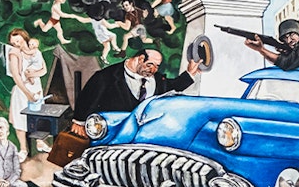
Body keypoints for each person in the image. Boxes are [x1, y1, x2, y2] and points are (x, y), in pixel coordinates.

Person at [70, 49, 201, 136]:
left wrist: (190, 73)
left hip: (143, 137)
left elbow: (173, 86)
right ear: (140, 59)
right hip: (112, 133)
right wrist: (79, 121)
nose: (153, 70)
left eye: (157, 66)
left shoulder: (156, 79)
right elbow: (88, 97)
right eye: (150, 64)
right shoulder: (106, 76)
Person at [7, 29, 47, 161]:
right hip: (22, 90)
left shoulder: (35, 52)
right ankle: (23, 149)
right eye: (13, 42)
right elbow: (16, 77)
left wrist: (32, 74)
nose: (16, 44)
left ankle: (40, 142)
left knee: (38, 116)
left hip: (36, 88)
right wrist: (27, 93)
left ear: (25, 38)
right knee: (20, 120)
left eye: (18, 40)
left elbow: (43, 70)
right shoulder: (14, 53)